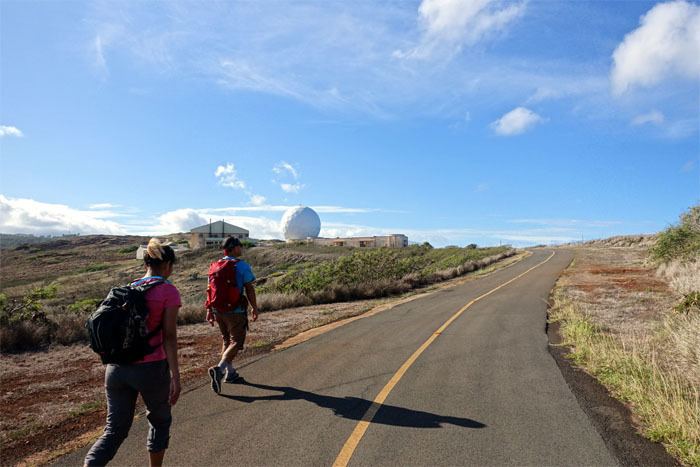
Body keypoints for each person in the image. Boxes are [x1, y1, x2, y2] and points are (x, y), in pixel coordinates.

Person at [85, 238, 181, 467]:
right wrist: (175, 376)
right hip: (151, 368)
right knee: (159, 422)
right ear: (167, 265)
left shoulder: (129, 288)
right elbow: (169, 336)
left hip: (116, 369)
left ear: (146, 264)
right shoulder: (168, 291)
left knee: (114, 430)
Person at [206, 236, 259, 394]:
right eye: (239, 246)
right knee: (236, 342)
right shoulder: (241, 266)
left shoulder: (214, 266)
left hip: (218, 310)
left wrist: (209, 310)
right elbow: (249, 288)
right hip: (235, 311)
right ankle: (220, 369)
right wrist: (254, 308)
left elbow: (209, 290)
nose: (241, 248)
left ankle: (231, 374)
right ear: (233, 248)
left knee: (226, 340)